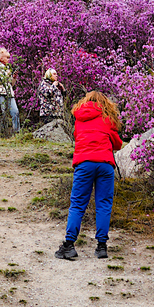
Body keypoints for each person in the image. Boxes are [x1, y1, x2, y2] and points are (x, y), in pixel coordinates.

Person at [56, 90, 124, 261]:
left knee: (78, 204)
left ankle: (69, 245)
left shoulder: (79, 117)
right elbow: (117, 144)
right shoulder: (107, 118)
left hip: (84, 163)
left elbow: (77, 136)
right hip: (105, 164)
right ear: (105, 103)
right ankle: (101, 247)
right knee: (103, 205)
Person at [0, 47, 20, 135]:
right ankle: (2, 132)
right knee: (2, 113)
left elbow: (11, 84)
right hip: (0, 93)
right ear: (1, 58)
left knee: (15, 111)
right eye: (7, 57)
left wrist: (13, 77)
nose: (9, 60)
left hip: (9, 93)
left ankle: (16, 132)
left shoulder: (7, 68)